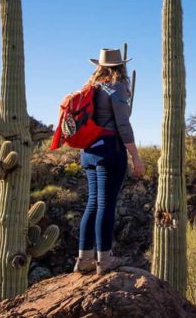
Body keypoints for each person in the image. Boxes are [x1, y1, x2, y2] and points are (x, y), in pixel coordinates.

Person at [73, 48, 145, 275]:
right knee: (105, 204)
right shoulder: (116, 87)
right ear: (120, 66)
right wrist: (135, 156)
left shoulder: (90, 88)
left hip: (89, 151)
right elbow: (123, 125)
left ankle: (84, 259)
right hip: (109, 151)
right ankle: (104, 260)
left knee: (93, 203)